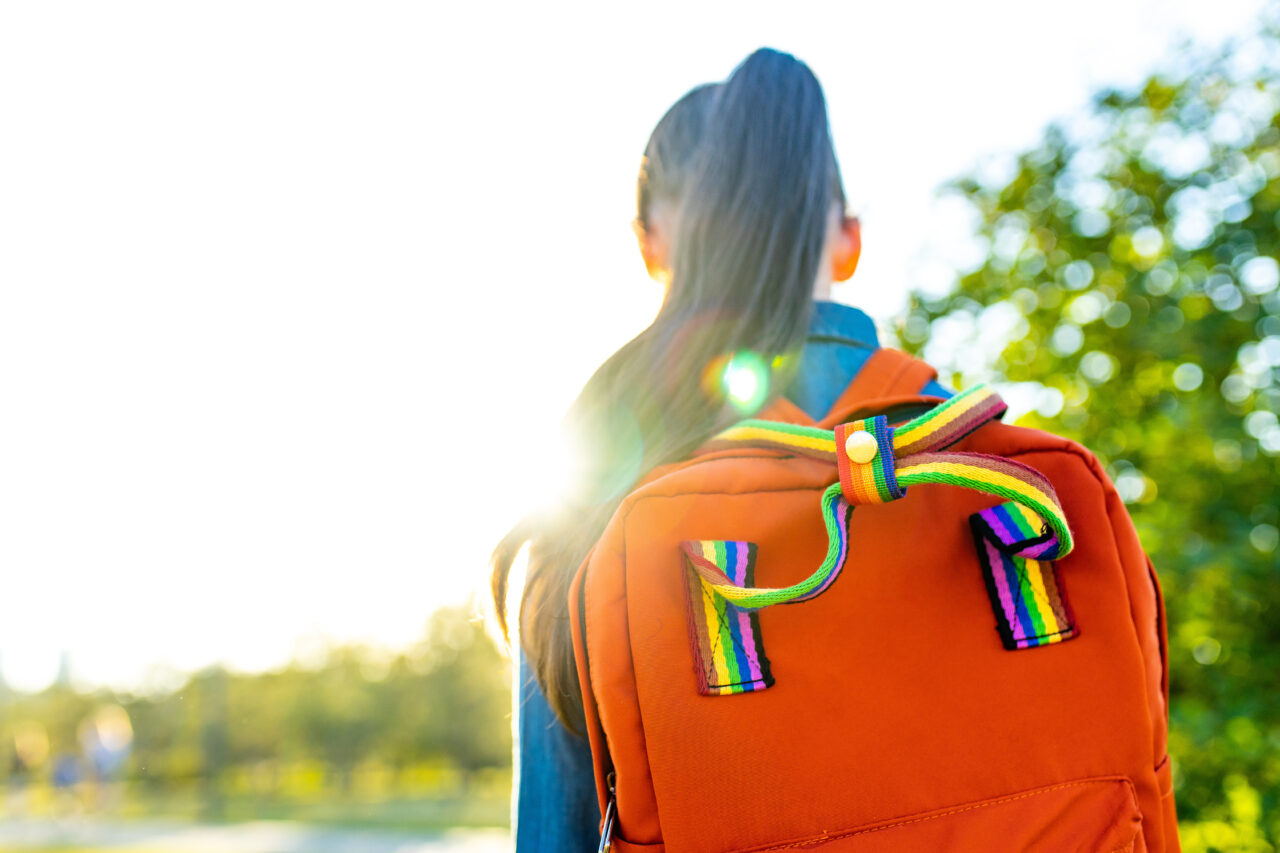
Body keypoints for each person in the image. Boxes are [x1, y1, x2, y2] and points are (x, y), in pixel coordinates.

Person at [492, 49, 947, 850]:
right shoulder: (978, 469)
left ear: (651, 243)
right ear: (848, 239)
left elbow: (555, 833)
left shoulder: (595, 487)